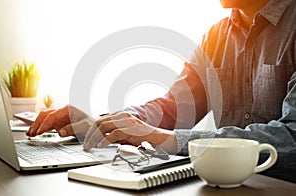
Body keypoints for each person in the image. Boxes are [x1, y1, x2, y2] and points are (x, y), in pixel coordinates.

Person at [26, 0, 296, 182]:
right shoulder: (215, 36)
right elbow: (172, 107)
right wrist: (104, 122)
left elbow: (292, 137)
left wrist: (165, 139)